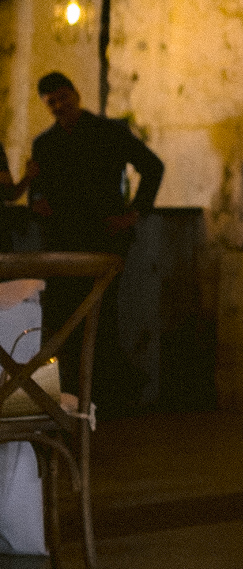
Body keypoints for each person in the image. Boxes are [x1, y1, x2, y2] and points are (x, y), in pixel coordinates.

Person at [28, 72, 164, 400]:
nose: (59, 105)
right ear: (46, 105)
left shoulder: (107, 132)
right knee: (65, 318)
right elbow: (37, 190)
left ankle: (101, 395)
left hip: (101, 237)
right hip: (64, 240)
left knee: (97, 316)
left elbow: (152, 166)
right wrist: (37, 202)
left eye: (63, 97)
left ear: (75, 93)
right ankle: (76, 395)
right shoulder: (45, 143)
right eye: (52, 102)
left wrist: (133, 214)